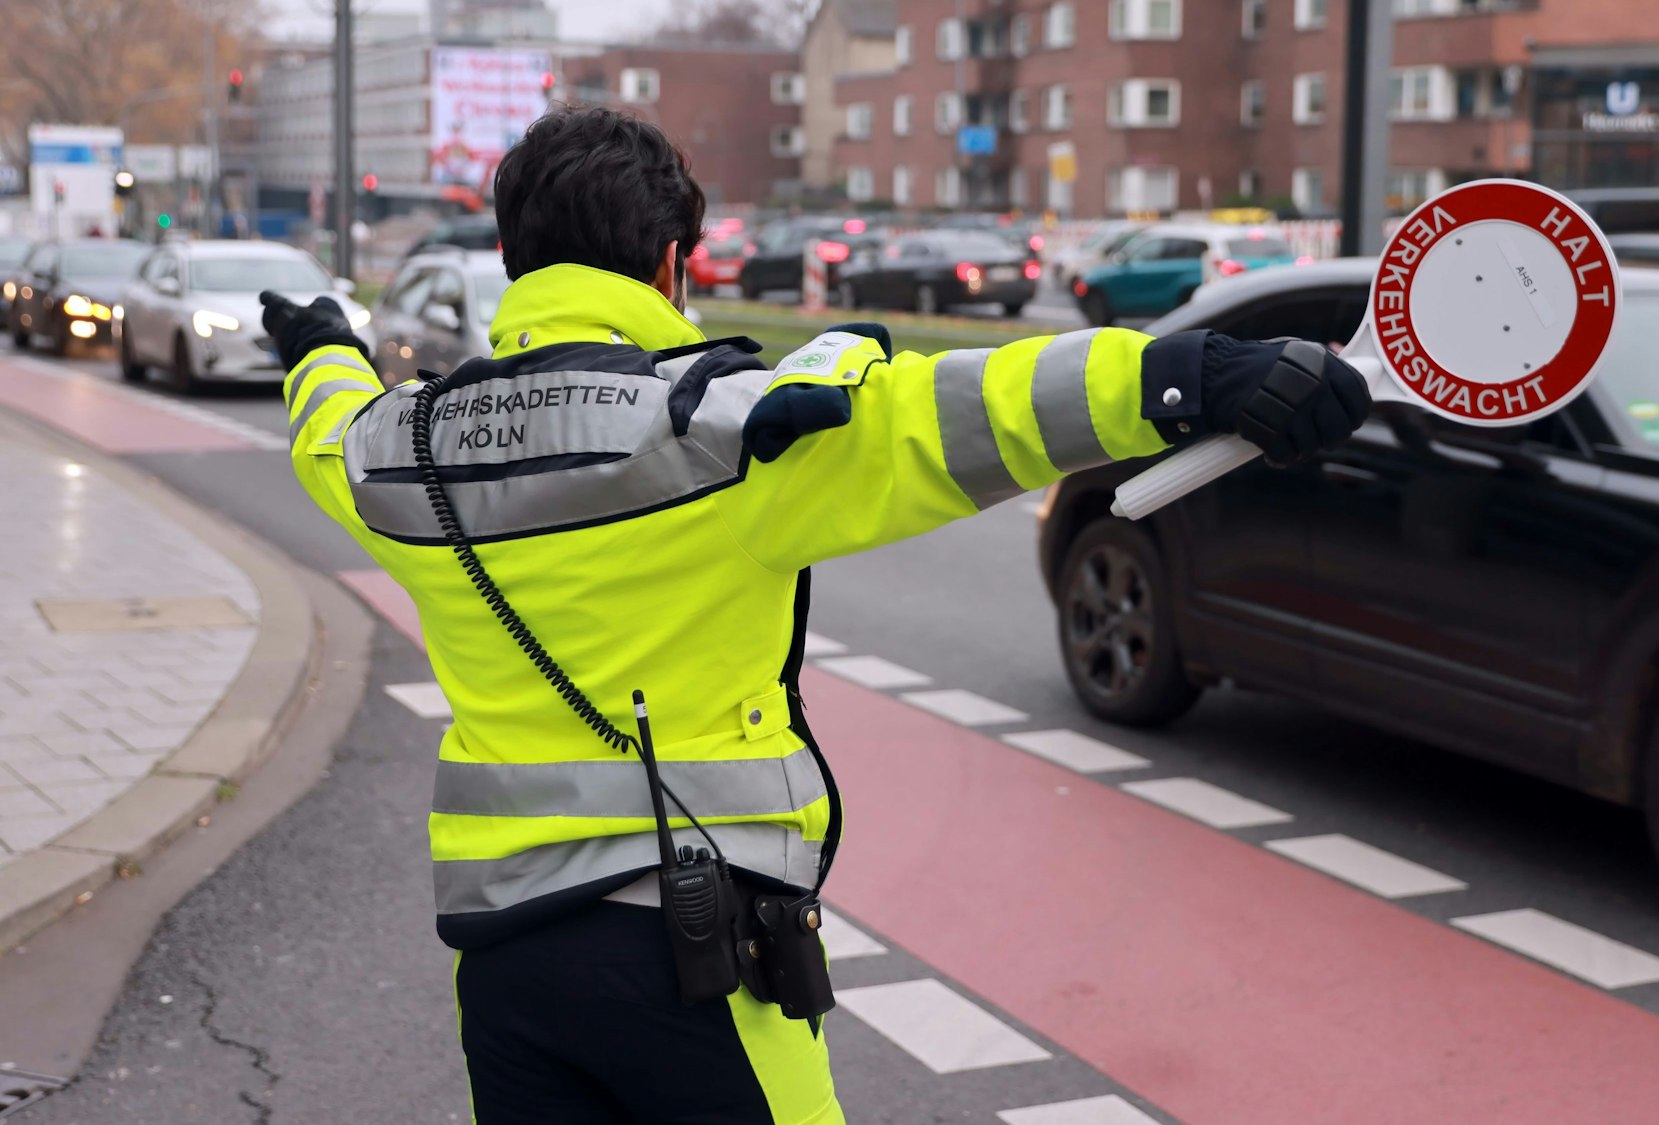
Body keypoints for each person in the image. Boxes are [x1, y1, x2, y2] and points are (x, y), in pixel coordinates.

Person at [261, 105, 1368, 1125]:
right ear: (669, 264)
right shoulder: (722, 429)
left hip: (501, 962)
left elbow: (328, 430)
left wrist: (317, 347)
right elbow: (963, 413)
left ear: (513, 262)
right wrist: (1188, 378)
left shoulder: (402, 452)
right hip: (691, 954)